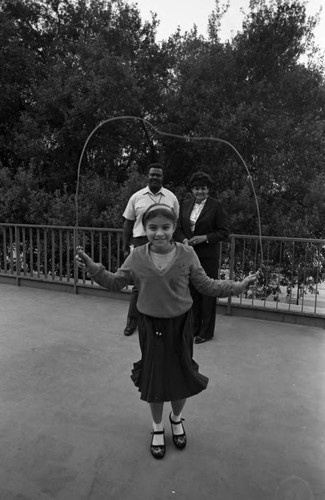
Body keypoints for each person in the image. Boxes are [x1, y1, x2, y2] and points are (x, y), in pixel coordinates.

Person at [76, 204, 257, 460]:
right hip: (150, 327)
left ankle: (176, 419)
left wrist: (237, 287)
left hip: (182, 326)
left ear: (174, 228)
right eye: (152, 228)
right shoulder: (137, 256)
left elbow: (206, 285)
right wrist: (93, 268)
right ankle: (157, 427)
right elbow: (116, 282)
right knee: (155, 378)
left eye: (165, 227)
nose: (159, 233)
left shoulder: (187, 254)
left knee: (181, 377)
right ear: (144, 229)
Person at [122, 163, 179, 336]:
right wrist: (124, 247)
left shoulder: (171, 198)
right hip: (141, 244)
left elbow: (175, 225)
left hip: (163, 245)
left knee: (162, 283)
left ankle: (159, 321)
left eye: (158, 175)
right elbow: (128, 223)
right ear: (147, 176)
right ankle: (133, 322)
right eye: (152, 175)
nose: (154, 178)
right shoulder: (137, 197)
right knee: (139, 285)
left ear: (163, 178)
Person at [174, 171, 229, 344]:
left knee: (208, 292)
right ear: (192, 190)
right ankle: (194, 327)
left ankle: (207, 332)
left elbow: (223, 232)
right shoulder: (185, 203)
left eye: (203, 189)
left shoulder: (216, 206)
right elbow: (178, 228)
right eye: (197, 189)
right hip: (189, 256)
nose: (200, 192)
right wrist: (183, 240)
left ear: (208, 189)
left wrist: (205, 238)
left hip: (207, 257)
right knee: (192, 292)